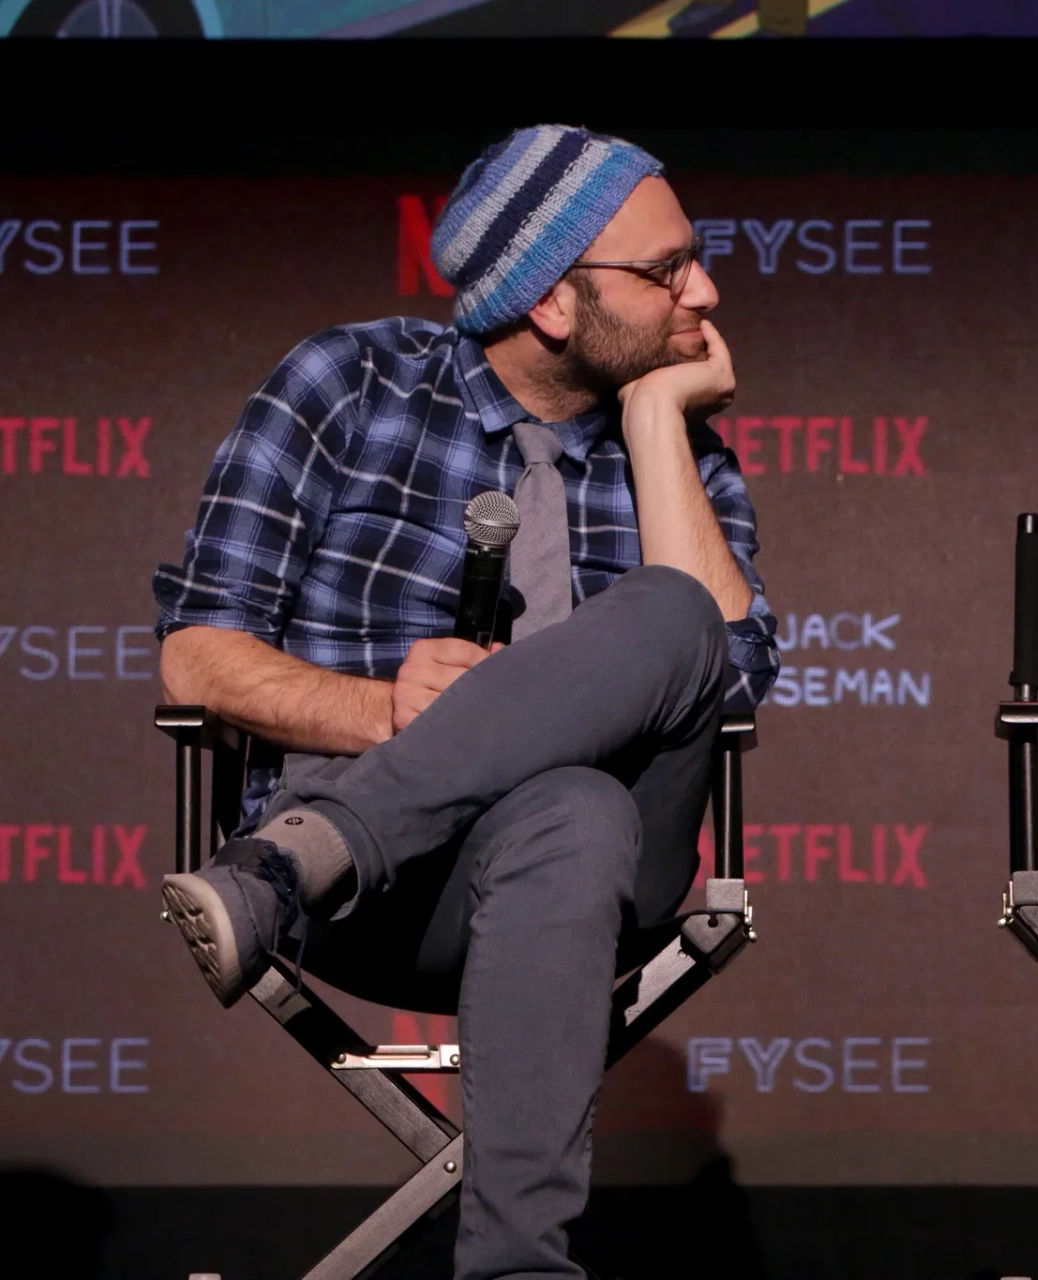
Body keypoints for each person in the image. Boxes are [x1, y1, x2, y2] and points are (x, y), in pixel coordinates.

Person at [151, 125, 778, 1280]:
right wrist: (381, 709)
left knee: (679, 620)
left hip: (596, 884)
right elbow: (196, 654)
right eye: (667, 268)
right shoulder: (345, 385)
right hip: (388, 901)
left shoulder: (684, 444)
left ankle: (294, 862)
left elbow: (729, 674)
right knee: (572, 808)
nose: (708, 289)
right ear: (550, 303)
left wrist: (654, 425)